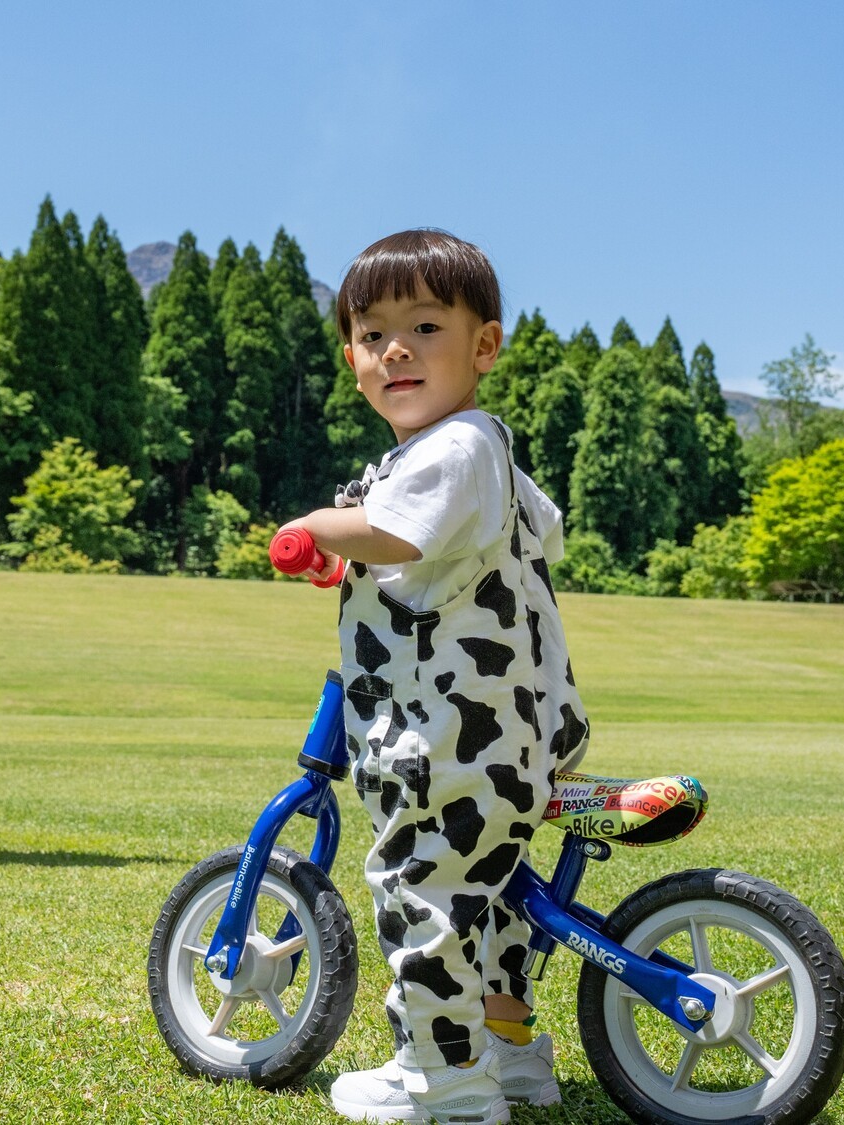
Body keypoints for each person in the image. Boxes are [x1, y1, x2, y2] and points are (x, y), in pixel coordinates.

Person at [278, 229, 590, 1124]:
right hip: (521, 729)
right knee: (487, 896)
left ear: (483, 345)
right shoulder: (487, 454)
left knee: (423, 897)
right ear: (352, 357)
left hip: (451, 731)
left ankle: (447, 1086)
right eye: (373, 334)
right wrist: (358, 567)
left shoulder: (450, 449)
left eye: (424, 325)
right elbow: (478, 551)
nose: (396, 350)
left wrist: (320, 527)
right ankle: (512, 1053)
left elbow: (401, 534)